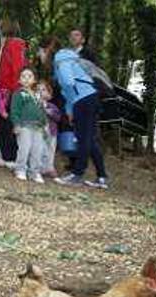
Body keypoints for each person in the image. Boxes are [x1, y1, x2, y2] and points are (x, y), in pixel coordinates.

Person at [40, 37, 108, 189]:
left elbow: (69, 83)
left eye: (40, 52)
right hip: (89, 97)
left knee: (83, 138)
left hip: (83, 100)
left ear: (47, 50)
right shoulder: (67, 59)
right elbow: (68, 89)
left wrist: (73, 105)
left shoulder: (61, 59)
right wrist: (70, 110)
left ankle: (77, 175)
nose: (40, 56)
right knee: (90, 139)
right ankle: (102, 177)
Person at [0, 19, 27, 165]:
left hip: (12, 91)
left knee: (7, 124)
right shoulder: (7, 44)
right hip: (5, 90)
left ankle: (11, 157)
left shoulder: (15, 44)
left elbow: (17, 68)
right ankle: (6, 156)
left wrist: (16, 91)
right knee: (2, 124)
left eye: (0, 27)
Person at [9, 68, 47, 183]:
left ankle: (34, 172)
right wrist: (16, 124)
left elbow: (41, 111)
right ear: (19, 80)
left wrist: (43, 124)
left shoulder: (37, 95)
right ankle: (20, 169)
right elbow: (14, 110)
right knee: (24, 148)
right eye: (23, 76)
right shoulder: (18, 94)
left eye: (29, 76)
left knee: (37, 150)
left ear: (34, 80)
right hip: (24, 126)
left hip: (38, 127)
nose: (26, 79)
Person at [38, 80, 62, 178]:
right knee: (40, 149)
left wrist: (49, 112)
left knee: (50, 150)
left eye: (43, 90)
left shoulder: (52, 106)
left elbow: (58, 118)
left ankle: (49, 167)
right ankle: (39, 167)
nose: (40, 92)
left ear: (49, 94)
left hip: (51, 133)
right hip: (39, 132)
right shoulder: (34, 105)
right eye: (38, 90)